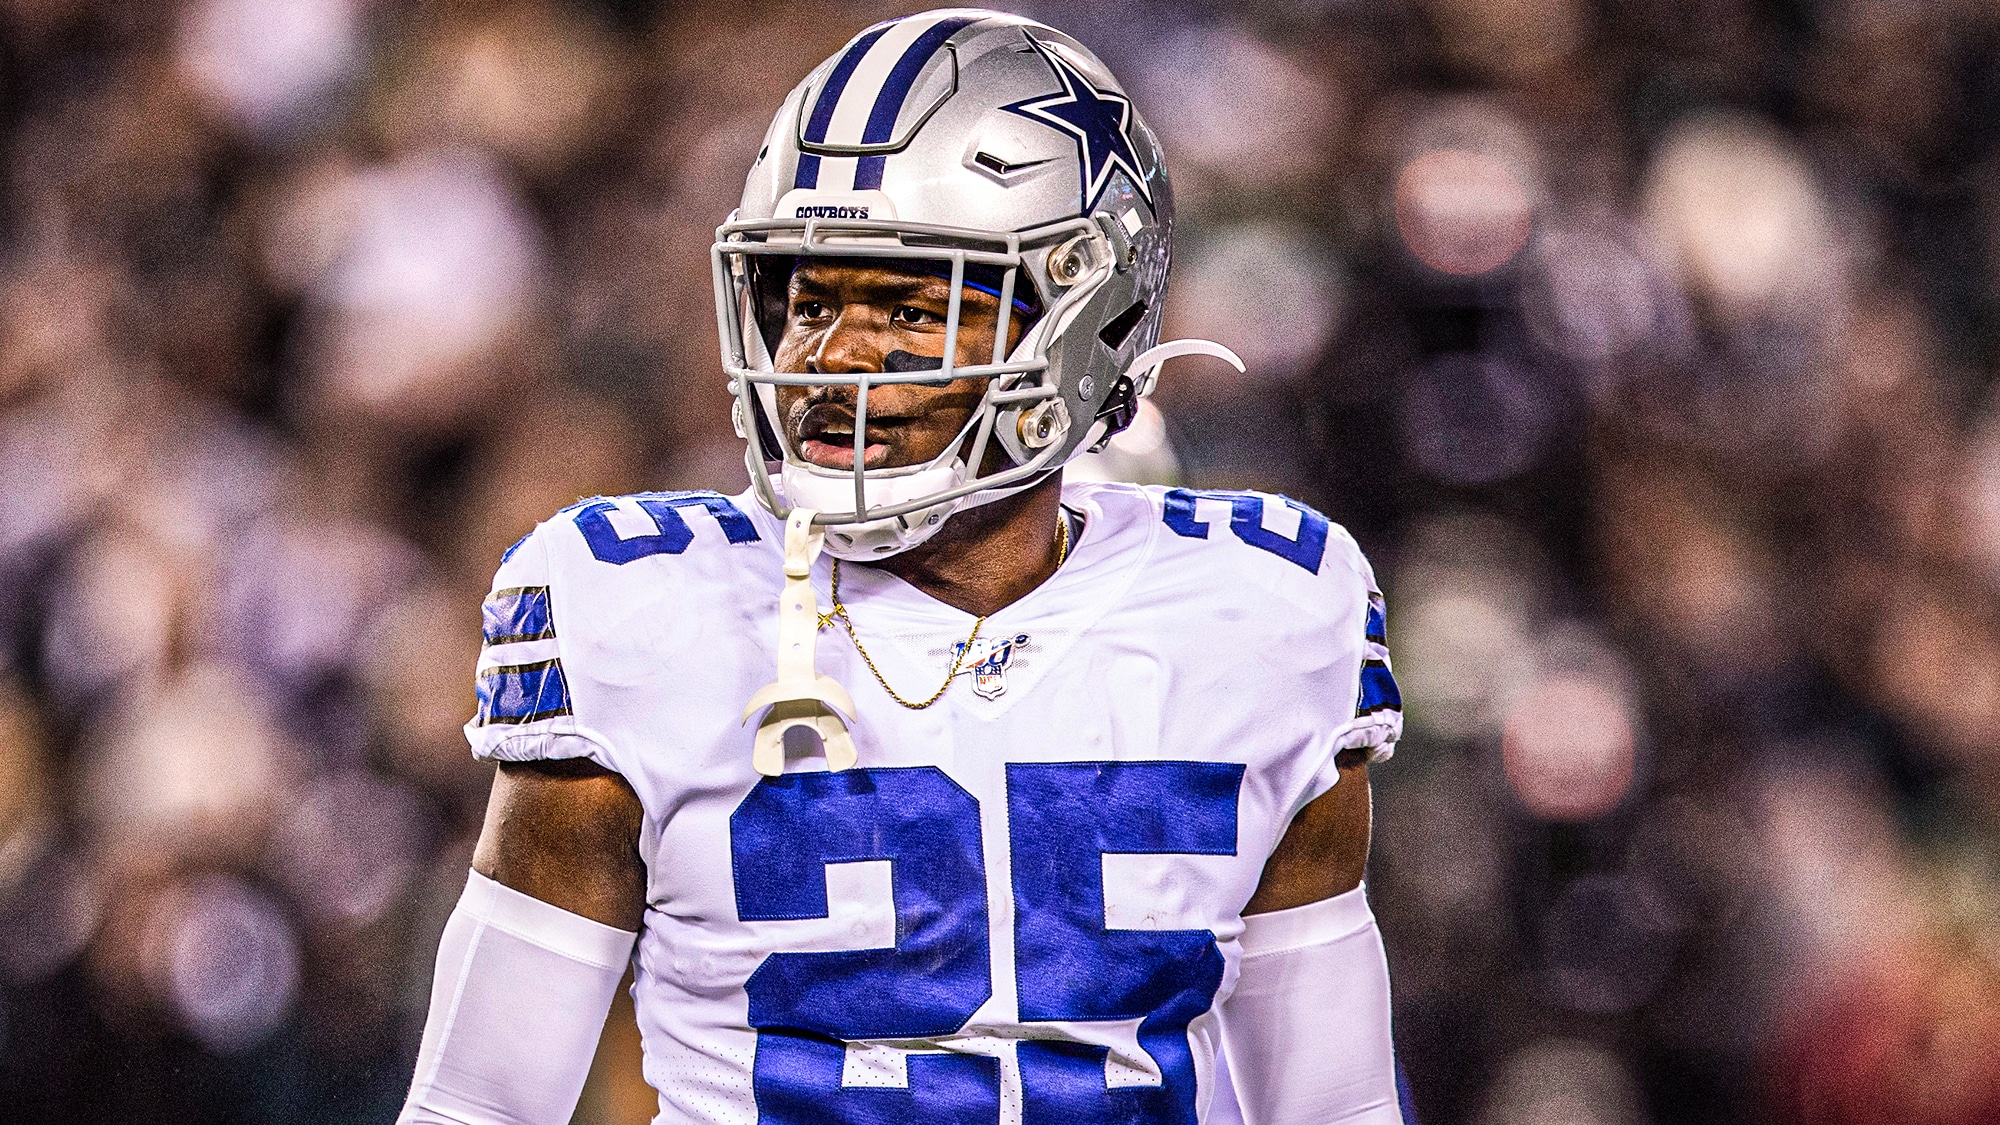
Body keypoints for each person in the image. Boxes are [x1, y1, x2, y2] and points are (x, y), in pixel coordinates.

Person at [398, 11, 1404, 1125]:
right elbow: (477, 1106)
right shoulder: (635, 610)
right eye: (813, 301)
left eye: (912, 311)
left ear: (1079, 323)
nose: (833, 359)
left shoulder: (1259, 611)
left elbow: (1333, 1107)